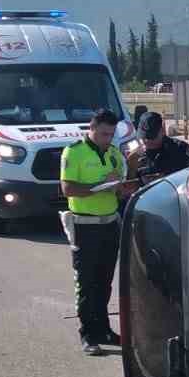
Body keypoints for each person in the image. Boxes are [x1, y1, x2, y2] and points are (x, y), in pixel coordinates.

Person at [60, 109, 126, 355]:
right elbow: (67, 188)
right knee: (86, 284)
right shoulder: (74, 152)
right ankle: (87, 334)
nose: (107, 139)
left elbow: (119, 190)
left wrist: (119, 186)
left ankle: (104, 329)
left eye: (110, 134)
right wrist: (99, 187)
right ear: (92, 128)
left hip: (110, 224)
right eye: (103, 134)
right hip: (84, 225)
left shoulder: (114, 154)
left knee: (104, 282)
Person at [133, 109, 189, 182]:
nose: (146, 140)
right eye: (143, 136)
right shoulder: (136, 156)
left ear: (162, 131)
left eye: (151, 137)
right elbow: (129, 184)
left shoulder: (181, 149)